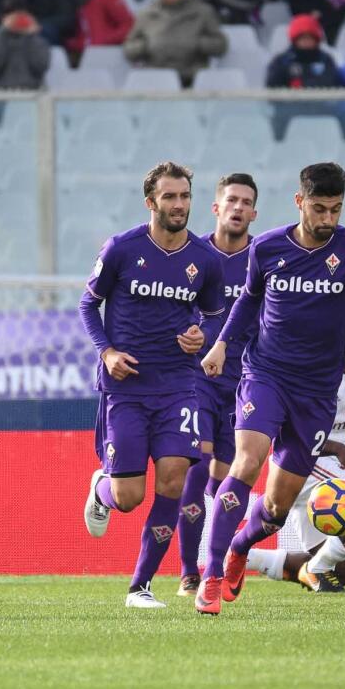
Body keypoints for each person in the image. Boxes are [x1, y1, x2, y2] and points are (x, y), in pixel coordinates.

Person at [193, 162, 345, 616]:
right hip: (265, 375)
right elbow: (248, 304)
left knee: (274, 507)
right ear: (300, 202)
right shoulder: (269, 248)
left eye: (335, 210)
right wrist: (220, 345)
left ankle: (240, 549)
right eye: (318, 208)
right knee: (248, 460)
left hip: (316, 392)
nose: (327, 219)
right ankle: (211, 576)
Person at [79, 162, 226, 609]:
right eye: (169, 197)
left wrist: (203, 335)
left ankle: (140, 587)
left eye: (184, 196)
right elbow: (89, 305)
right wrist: (106, 352)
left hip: (180, 386)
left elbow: (216, 316)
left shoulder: (204, 258)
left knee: (174, 480)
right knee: (129, 497)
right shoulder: (123, 249)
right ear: (151, 203)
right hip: (126, 388)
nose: (179, 205)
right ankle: (102, 488)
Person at [244, 304, 345, 594]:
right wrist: (339, 448)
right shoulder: (310, 371)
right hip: (305, 464)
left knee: (339, 573)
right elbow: (284, 430)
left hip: (341, 471)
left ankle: (244, 556)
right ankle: (312, 568)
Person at [175, 173, 258, 596]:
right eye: (231, 200)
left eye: (246, 202)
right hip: (196, 381)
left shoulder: (262, 259)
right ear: (216, 208)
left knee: (222, 480)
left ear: (254, 213)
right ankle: (191, 572)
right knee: (196, 467)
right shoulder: (192, 254)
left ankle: (222, 556)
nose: (238, 208)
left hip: (244, 385)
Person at [123, 0, 227, 87]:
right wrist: (147, 45)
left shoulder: (203, 12)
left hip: (192, 80)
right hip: (155, 81)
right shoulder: (146, 14)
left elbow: (221, 45)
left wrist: (196, 43)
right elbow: (129, 48)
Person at [0, 0, 51, 89]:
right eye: (13, 16)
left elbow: (40, 66)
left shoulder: (39, 42)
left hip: (32, 94)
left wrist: (31, 35)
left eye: (22, 16)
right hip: (3, 94)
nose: (17, 20)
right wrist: (3, 32)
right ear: (3, 18)